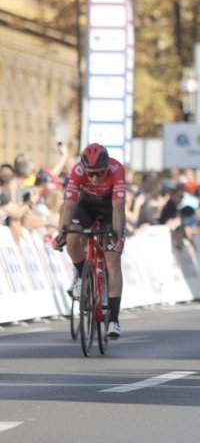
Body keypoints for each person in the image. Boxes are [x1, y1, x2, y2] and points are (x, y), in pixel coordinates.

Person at [53, 143, 127, 339]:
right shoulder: (77, 171)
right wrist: (61, 234)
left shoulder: (117, 169)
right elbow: (68, 206)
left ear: (106, 168)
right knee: (72, 238)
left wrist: (117, 236)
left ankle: (114, 320)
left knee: (113, 260)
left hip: (109, 208)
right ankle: (82, 277)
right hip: (85, 206)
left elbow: (118, 208)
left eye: (99, 173)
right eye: (91, 174)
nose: (95, 178)